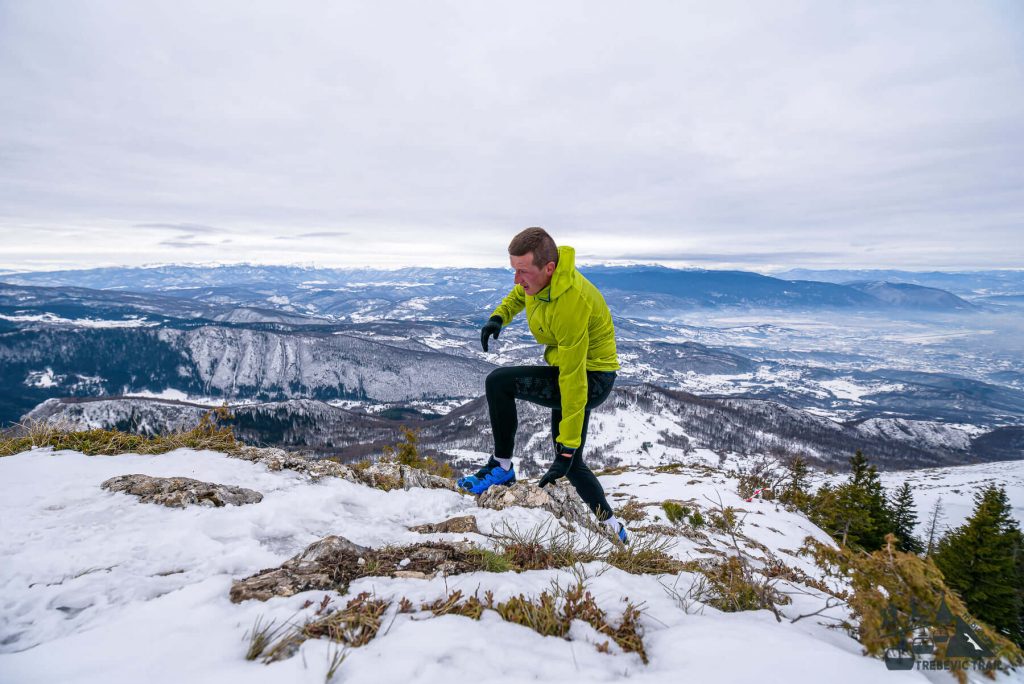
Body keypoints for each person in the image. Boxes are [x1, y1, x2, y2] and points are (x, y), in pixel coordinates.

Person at [456, 227, 628, 543]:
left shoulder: (571, 303)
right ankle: (613, 527)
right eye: (514, 270)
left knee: (500, 384)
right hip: (571, 371)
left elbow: (574, 380)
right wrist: (499, 317)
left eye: (523, 271)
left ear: (548, 267)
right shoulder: (544, 281)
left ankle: (502, 468)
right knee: (572, 465)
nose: (517, 279)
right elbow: (520, 293)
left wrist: (570, 443)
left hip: (590, 379)